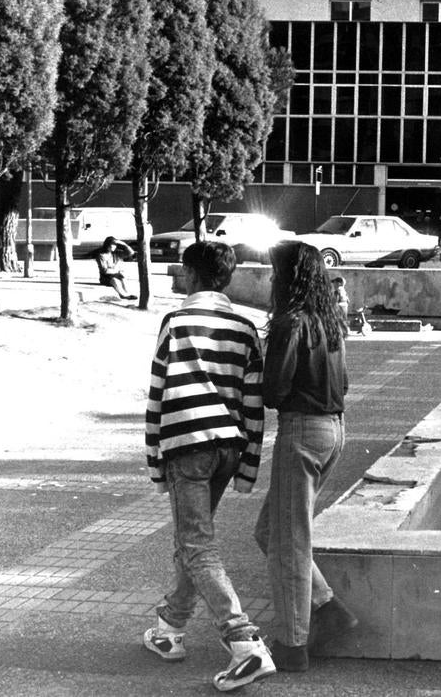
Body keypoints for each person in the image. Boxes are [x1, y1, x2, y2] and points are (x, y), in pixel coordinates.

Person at [143, 241, 275, 692]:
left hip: (187, 445)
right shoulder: (246, 326)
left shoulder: (176, 322)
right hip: (229, 447)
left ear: (192, 276)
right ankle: (169, 628)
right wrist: (250, 465)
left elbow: (158, 393)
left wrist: (154, 462)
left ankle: (244, 643)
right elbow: (253, 401)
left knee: (196, 544)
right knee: (194, 540)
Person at [255, 241, 358, 675]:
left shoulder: (290, 322)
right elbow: (346, 383)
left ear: (288, 276)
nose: (269, 279)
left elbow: (273, 391)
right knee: (269, 531)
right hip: (334, 430)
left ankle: (293, 645)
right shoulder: (329, 320)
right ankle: (327, 607)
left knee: (290, 539)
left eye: (274, 271)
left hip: (301, 431)